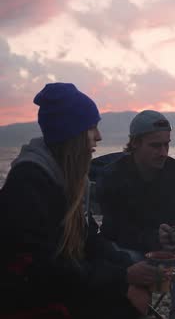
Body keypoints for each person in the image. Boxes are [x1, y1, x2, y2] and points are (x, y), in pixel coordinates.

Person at [0, 83, 155, 319]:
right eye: (92, 128)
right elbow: (44, 269)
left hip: (59, 283)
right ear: (71, 134)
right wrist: (122, 279)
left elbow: (89, 238)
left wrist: (128, 269)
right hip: (30, 297)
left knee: (132, 272)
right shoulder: (29, 183)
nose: (99, 136)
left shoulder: (69, 180)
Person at [97, 110, 175, 319]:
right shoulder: (112, 176)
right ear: (135, 143)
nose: (163, 152)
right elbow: (112, 230)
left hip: (164, 246)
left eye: (167, 144)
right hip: (127, 248)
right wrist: (156, 237)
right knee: (129, 258)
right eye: (155, 145)